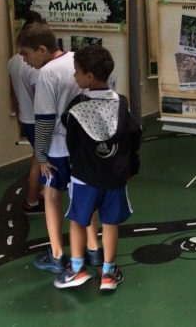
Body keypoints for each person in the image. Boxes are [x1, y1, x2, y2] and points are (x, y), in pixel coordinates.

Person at [17, 20, 102, 274]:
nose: (25, 60)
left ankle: (56, 254)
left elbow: (44, 119)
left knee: (52, 195)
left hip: (58, 147)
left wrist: (41, 155)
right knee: (84, 195)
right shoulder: (79, 61)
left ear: (42, 49)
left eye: (26, 54)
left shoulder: (47, 74)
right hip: (86, 145)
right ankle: (94, 248)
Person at [54, 45, 141, 290]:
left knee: (78, 221)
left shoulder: (76, 107)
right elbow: (133, 139)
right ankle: (108, 273)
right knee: (111, 224)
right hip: (115, 178)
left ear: (89, 77)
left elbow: (71, 140)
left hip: (84, 178)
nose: (74, 76)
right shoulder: (122, 105)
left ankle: (77, 268)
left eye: (77, 72)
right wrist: (131, 168)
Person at [8, 12, 43, 214]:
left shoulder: (12, 61)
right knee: (40, 161)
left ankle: (38, 195)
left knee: (38, 157)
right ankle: (33, 201)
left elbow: (12, 91)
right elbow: (40, 96)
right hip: (37, 120)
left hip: (26, 118)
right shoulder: (34, 67)